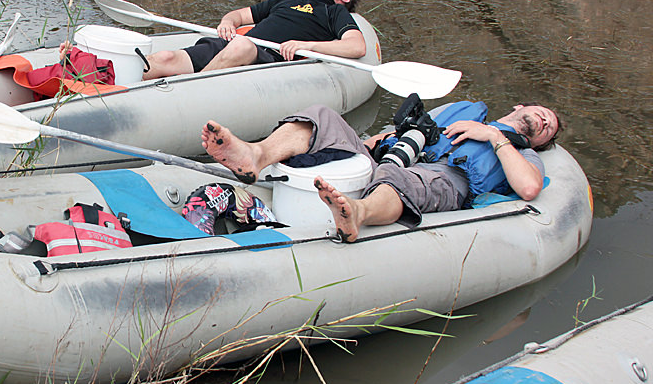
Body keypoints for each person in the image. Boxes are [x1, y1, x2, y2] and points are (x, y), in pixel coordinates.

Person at [200, 100, 561, 242]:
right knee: (323, 116)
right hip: (394, 157)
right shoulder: (465, 112)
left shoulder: (523, 153)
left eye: (549, 127)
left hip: (443, 178)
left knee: (400, 177)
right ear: (521, 106)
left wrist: (495, 137)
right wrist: (377, 142)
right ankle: (255, 155)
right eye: (544, 113)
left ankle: (357, 213)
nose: (545, 121)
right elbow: (410, 133)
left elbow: (529, 188)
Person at [141, 0, 367, 80]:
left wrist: (306, 45)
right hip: (231, 45)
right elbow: (239, 16)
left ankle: (187, 89)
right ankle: (120, 82)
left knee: (242, 46)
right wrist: (227, 21)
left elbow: (356, 46)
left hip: (265, 58)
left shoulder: (334, 12)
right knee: (165, 58)